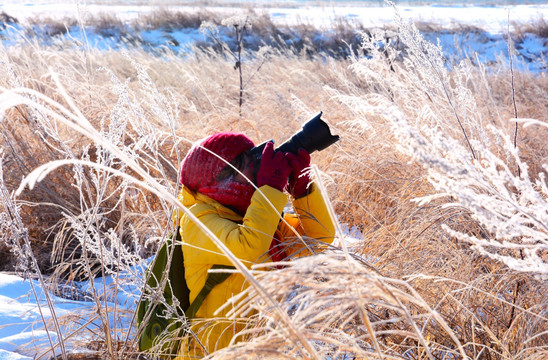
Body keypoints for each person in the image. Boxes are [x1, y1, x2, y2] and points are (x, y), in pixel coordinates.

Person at [172, 132, 335, 358]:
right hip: (213, 353)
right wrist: (270, 188)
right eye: (248, 162)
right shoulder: (196, 219)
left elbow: (317, 241)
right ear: (220, 178)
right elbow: (248, 246)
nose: (258, 167)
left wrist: (301, 190)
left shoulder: (252, 211)